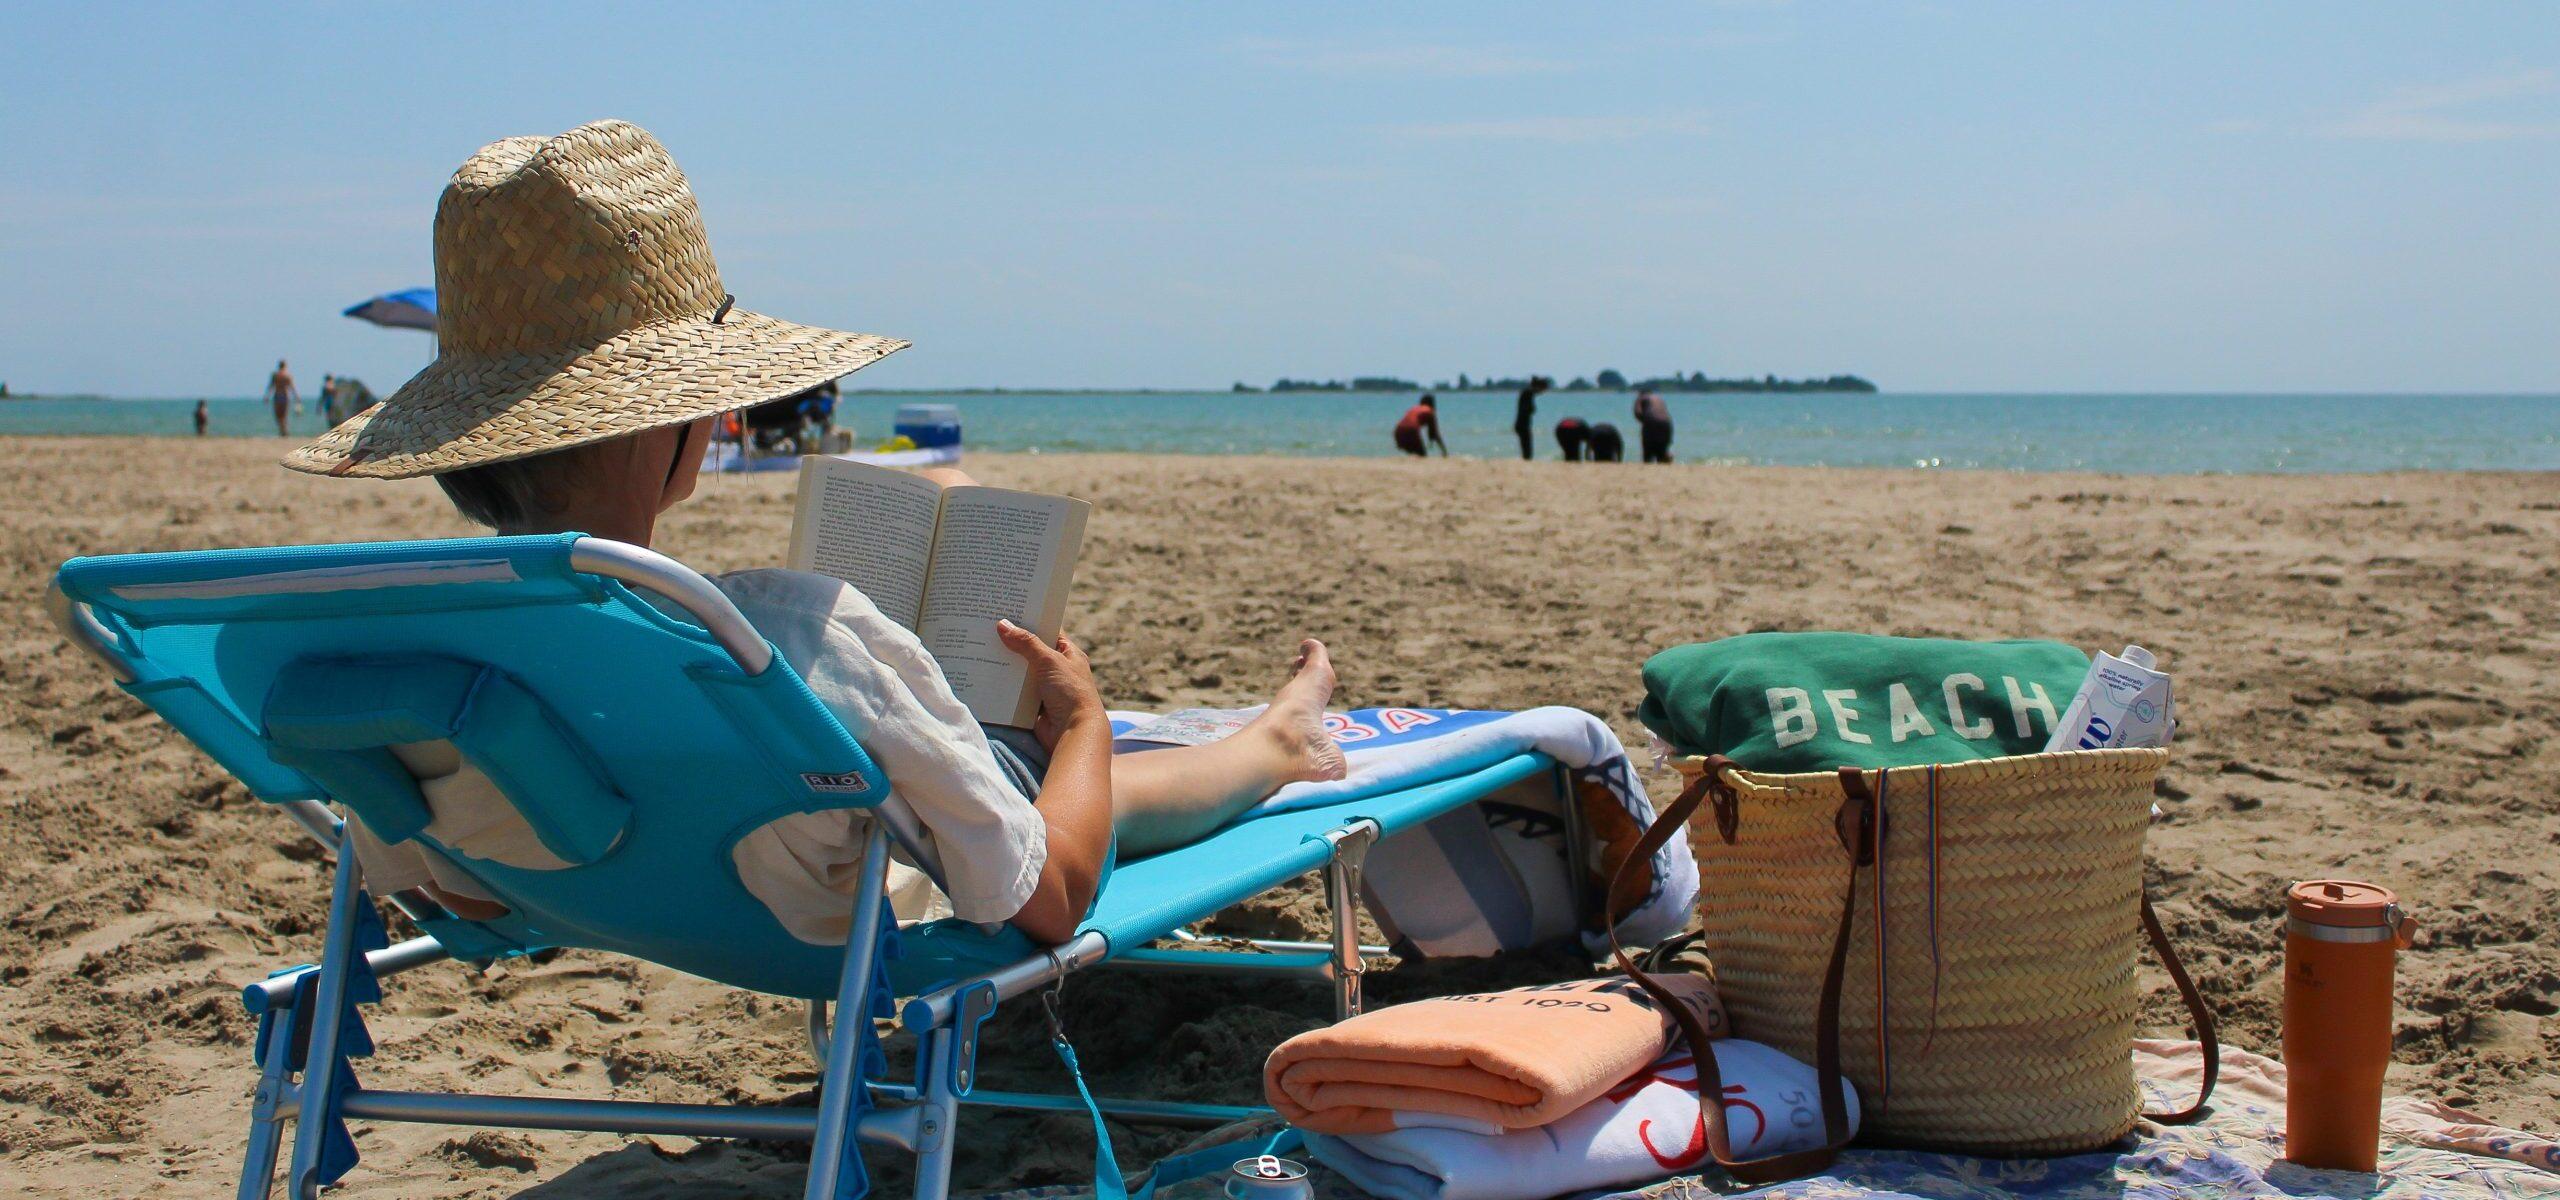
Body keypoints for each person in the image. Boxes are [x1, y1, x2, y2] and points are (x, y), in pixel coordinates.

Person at [285, 120, 1347, 948]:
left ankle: (1237, 740)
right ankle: (1269, 745)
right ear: (675, 418)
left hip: (596, 892)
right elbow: (1055, 894)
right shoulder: (786, 641)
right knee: (1045, 762)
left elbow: (454, 894)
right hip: (802, 902)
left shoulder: (400, 651)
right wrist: (1079, 729)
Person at [1512, 376, 1551, 461]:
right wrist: (1532, 409)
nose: (1542, 392)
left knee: (1526, 448)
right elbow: (1527, 409)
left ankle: (1526, 460)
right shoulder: (1528, 393)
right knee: (1527, 449)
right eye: (1543, 389)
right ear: (1538, 387)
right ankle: (1527, 462)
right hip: (1522, 424)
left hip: (1522, 424)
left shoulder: (1528, 393)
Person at [1634, 390, 1673, 464]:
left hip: (1651, 421)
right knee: (1662, 451)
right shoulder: (1659, 399)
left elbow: (1638, 412)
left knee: (1648, 453)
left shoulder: (1641, 398)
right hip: (1667, 422)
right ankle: (1667, 459)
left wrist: (1645, 424)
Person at [266, 360, 299, 436]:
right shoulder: (288, 375)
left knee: (278, 415)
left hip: (277, 395)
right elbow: (292, 387)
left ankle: (283, 431)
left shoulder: (275, 375)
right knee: (284, 415)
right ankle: (284, 430)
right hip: (285, 396)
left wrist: (267, 396)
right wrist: (297, 396)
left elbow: (271, 386)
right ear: (285, 366)